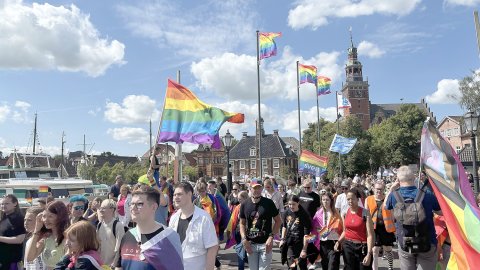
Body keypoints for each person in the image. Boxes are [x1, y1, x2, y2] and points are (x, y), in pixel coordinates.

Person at [385, 166, 442, 270]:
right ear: (414, 178)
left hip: (404, 242)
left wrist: (392, 189)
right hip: (427, 240)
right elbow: (441, 212)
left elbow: (385, 206)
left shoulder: (394, 196)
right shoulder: (427, 194)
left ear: (398, 179)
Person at [116, 185, 183, 269]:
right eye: (131, 204)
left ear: (154, 207)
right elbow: (119, 267)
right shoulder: (127, 236)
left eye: (139, 204)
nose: (133, 208)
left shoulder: (169, 237)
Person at [169, 181, 218, 270]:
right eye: (174, 195)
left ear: (189, 194)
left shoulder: (204, 218)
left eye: (179, 194)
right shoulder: (173, 218)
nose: (176, 197)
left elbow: (212, 248)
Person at [239, 180, 282, 270]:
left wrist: (271, 237)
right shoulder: (244, 204)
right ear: (250, 189)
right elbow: (242, 223)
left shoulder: (269, 203)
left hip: (265, 244)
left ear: (262, 188)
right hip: (251, 244)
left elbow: (278, 221)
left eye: (259, 188)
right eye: (254, 188)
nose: (257, 190)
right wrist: (244, 239)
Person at [335, 189, 374, 270]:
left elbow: (370, 235)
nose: (350, 201)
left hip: (362, 247)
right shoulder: (345, 213)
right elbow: (345, 231)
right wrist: (338, 241)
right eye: (348, 199)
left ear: (357, 199)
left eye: (352, 198)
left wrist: (369, 253)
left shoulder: (365, 213)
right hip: (348, 246)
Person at [26, 201, 69, 269]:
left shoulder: (68, 238)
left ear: (60, 217)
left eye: (50, 216)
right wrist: (37, 229)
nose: (46, 220)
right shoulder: (46, 237)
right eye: (44, 216)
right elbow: (30, 258)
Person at [365, 182, 395, 270]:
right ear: (373, 189)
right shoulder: (368, 199)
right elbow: (366, 213)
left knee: (388, 249)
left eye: (381, 189)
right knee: (374, 251)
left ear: (384, 190)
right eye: (377, 189)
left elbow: (392, 213)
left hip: (386, 228)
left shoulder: (387, 198)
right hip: (373, 228)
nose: (379, 191)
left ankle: (390, 267)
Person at [310, 192, 343, 270]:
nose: (325, 201)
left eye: (327, 200)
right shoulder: (318, 213)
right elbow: (314, 228)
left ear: (331, 201)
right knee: (325, 265)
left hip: (334, 242)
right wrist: (320, 230)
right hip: (323, 243)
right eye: (323, 200)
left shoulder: (336, 213)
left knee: (332, 266)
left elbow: (341, 228)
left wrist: (334, 228)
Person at [279, 195, 311, 270]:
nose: (291, 206)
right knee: (292, 266)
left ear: (298, 203)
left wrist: (304, 250)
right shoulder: (286, 213)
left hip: (301, 243)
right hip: (290, 243)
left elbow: (307, 234)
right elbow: (284, 227)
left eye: (293, 204)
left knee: (302, 266)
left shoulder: (304, 214)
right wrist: (282, 239)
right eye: (289, 204)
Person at [0, 194, 26, 270]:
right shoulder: (3, 217)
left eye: (6, 203)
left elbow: (20, 239)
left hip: (12, 261)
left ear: (15, 204)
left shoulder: (19, 218)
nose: (3, 206)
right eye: (2, 204)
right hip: (2, 260)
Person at [96, 199, 125, 268]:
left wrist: (114, 265)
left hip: (111, 266)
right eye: (100, 208)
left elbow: (119, 248)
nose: (101, 210)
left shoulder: (118, 225)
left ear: (112, 209)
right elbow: (97, 245)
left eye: (103, 208)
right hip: (100, 265)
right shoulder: (99, 225)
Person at [225, 191, 249, 270]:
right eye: (238, 199)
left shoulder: (249, 207)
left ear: (245, 198)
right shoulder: (238, 207)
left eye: (240, 199)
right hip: (239, 232)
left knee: (243, 253)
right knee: (241, 253)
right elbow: (232, 220)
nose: (238, 201)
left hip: (248, 233)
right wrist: (229, 231)